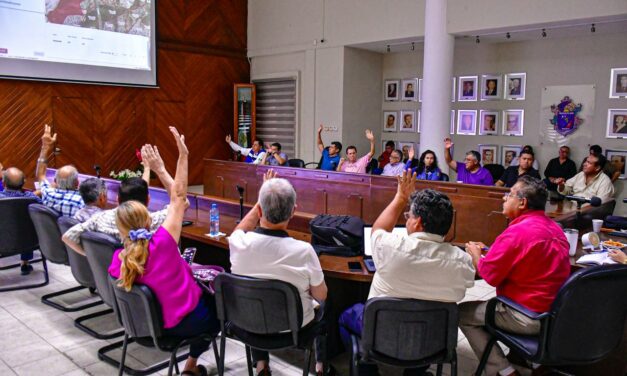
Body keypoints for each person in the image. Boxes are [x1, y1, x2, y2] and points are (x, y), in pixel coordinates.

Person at [339, 170, 475, 376]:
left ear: (417, 222)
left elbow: (378, 228)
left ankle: (367, 369)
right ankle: (416, 372)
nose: (407, 220)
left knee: (345, 316)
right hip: (432, 340)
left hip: (381, 334)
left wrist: (401, 197)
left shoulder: (390, 246)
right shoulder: (462, 261)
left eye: (408, 216)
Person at [109, 127, 218, 376]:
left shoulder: (118, 260)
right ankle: (191, 366)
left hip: (145, 327)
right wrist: (181, 157)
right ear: (148, 217)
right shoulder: (164, 243)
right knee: (218, 311)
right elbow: (179, 197)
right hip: (184, 323)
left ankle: (190, 368)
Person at [460, 176, 571, 376]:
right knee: (487, 311)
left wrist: (476, 255)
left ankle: (503, 370)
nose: (504, 198)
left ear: (522, 202)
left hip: (526, 315)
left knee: (462, 314)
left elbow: (489, 275)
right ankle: (531, 364)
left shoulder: (518, 232)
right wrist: (491, 252)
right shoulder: (555, 228)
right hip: (555, 315)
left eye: (509, 194)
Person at [229, 170, 329, 376]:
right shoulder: (304, 251)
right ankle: (320, 366)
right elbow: (320, 296)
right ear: (294, 211)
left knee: (257, 295)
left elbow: (239, 229)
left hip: (247, 324)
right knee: (327, 300)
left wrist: (261, 201)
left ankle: (261, 366)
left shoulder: (238, 243)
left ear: (259, 211)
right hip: (293, 330)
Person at [63, 144, 171, 255]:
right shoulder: (155, 220)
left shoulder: (100, 218)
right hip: (145, 271)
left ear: (117, 199)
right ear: (148, 200)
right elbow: (181, 202)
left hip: (111, 271)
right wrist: (160, 170)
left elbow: (67, 237)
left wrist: (91, 257)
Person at [0, 167, 42, 275]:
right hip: (28, 241)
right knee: (25, 227)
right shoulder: (32, 198)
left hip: (2, 239)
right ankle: (25, 263)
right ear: (24, 182)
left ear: (3, 182)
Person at [36, 125, 84, 217]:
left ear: (55, 181)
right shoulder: (81, 202)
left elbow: (40, 174)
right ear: (77, 183)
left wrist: (45, 147)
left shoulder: (48, 194)